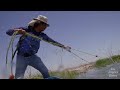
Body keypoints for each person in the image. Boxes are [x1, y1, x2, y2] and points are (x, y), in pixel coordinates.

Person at [6, 15, 71, 79]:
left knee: (45, 72)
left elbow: (53, 42)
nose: (46, 27)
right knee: (19, 77)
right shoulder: (26, 30)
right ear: (39, 23)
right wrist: (17, 31)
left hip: (33, 57)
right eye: (45, 25)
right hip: (21, 57)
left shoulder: (42, 35)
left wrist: (64, 46)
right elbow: (8, 32)